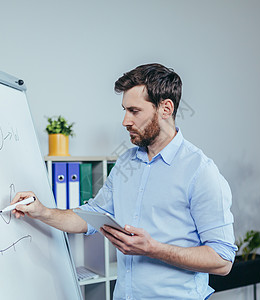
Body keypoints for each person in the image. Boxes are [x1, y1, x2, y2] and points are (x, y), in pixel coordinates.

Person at [12, 63, 237, 300]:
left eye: (134, 111)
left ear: (166, 108)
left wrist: (153, 249)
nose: (125, 121)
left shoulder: (200, 172)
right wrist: (41, 211)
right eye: (124, 110)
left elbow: (222, 261)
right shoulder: (125, 164)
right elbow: (91, 215)